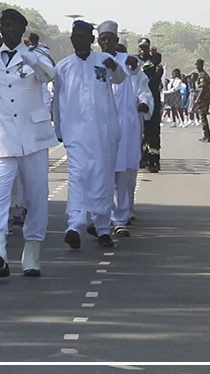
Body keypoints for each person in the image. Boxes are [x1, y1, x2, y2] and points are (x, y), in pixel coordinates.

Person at [0, 8, 57, 278]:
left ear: (22, 30)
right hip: (0, 138)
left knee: (36, 196)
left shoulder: (36, 58)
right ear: (0, 30)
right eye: (5, 26)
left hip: (33, 138)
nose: (9, 30)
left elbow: (48, 76)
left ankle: (32, 251)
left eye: (14, 26)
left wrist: (29, 55)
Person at [54, 20, 127, 250]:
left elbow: (120, 78)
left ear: (91, 40)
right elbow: (57, 101)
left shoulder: (104, 61)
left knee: (103, 178)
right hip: (75, 133)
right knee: (77, 176)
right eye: (76, 36)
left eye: (84, 36)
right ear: (71, 39)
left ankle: (103, 227)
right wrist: (58, 130)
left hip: (103, 131)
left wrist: (113, 67)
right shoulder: (63, 67)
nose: (80, 40)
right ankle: (74, 225)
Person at [112, 42, 153, 233]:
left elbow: (144, 91)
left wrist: (144, 103)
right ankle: (104, 214)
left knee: (127, 170)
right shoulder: (99, 66)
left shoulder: (133, 70)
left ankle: (125, 210)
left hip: (129, 125)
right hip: (105, 125)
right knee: (106, 169)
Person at [136, 39, 164, 173]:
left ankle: (154, 160)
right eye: (141, 47)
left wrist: (155, 55)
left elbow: (153, 65)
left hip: (154, 99)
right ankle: (144, 157)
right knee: (141, 131)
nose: (143, 50)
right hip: (141, 100)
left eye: (145, 47)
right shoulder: (135, 62)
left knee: (153, 131)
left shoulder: (154, 64)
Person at [195, 59, 210, 142]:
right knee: (203, 116)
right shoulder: (202, 74)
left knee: (203, 117)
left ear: (201, 65)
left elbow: (203, 88)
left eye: (197, 64)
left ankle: (206, 136)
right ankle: (207, 135)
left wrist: (197, 99)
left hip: (204, 98)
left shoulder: (202, 75)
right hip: (206, 97)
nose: (196, 66)